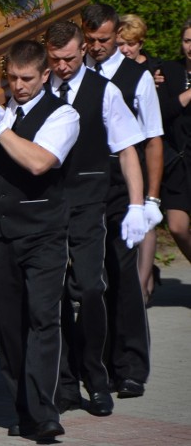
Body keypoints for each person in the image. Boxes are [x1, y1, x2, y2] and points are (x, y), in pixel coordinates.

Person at [0, 40, 80, 441]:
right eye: (12, 78)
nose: (19, 86)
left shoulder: (64, 114)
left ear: (45, 76)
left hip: (42, 233)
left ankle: (45, 412)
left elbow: (40, 161)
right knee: (9, 327)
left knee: (43, 319)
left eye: (27, 79)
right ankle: (25, 410)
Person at [44, 21, 146, 418]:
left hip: (89, 202)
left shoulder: (105, 91)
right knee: (50, 297)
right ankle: (66, 382)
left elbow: (127, 149)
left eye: (69, 58)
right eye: (55, 60)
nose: (63, 67)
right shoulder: (38, 87)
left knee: (89, 288)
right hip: (47, 204)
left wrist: (137, 204)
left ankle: (97, 378)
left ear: (83, 50)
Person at [81, 4, 164, 399]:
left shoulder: (137, 77)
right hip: (82, 182)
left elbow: (152, 139)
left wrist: (149, 198)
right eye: (91, 39)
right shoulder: (74, 71)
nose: (96, 46)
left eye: (104, 39)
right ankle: (91, 362)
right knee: (88, 280)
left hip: (120, 184)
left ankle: (130, 366)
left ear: (118, 37)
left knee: (123, 274)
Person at [117, 14, 163, 301]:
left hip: (146, 151)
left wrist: (154, 196)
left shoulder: (153, 71)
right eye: (121, 44)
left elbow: (156, 130)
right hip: (125, 152)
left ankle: (143, 281)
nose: (126, 50)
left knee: (146, 218)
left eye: (131, 44)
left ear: (140, 44)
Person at [151, 17, 191, 268]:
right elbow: (161, 113)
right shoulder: (168, 71)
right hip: (178, 162)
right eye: (187, 40)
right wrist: (187, 95)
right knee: (177, 227)